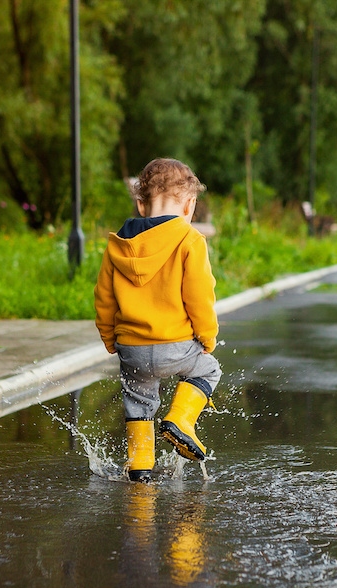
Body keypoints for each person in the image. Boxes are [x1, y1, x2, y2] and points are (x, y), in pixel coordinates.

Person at [94, 158, 222, 482]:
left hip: (132, 348)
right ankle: (180, 419)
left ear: (140, 204)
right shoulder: (190, 240)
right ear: (190, 206)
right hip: (175, 346)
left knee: (138, 401)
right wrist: (207, 336)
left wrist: (110, 338)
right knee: (208, 369)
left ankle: (139, 468)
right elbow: (200, 295)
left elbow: (104, 297)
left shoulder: (117, 245)